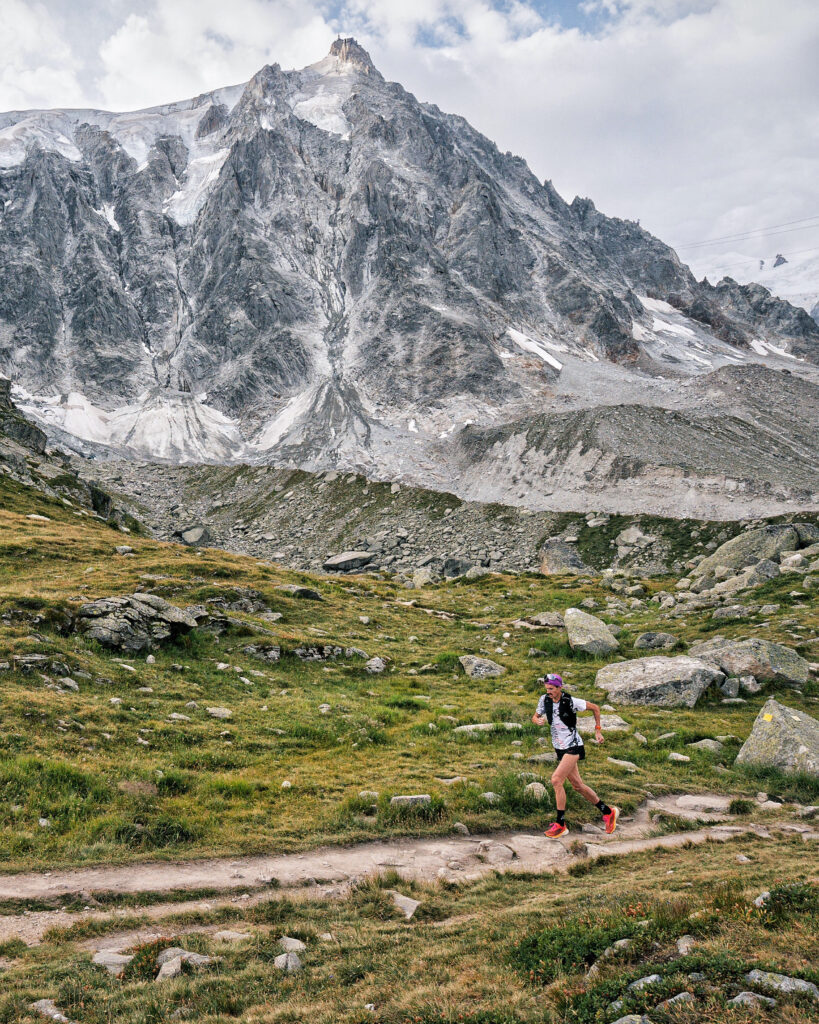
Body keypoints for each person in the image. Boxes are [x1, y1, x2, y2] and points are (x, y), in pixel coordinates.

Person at [531, 673, 618, 839]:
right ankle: (608, 812)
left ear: (559, 687)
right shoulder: (544, 700)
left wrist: (597, 730)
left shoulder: (571, 701)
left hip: (573, 746)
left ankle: (561, 824)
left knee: (556, 780)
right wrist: (537, 721)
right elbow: (535, 716)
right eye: (547, 688)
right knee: (578, 786)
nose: (548, 691)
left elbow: (596, 708)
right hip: (559, 748)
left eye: (551, 689)